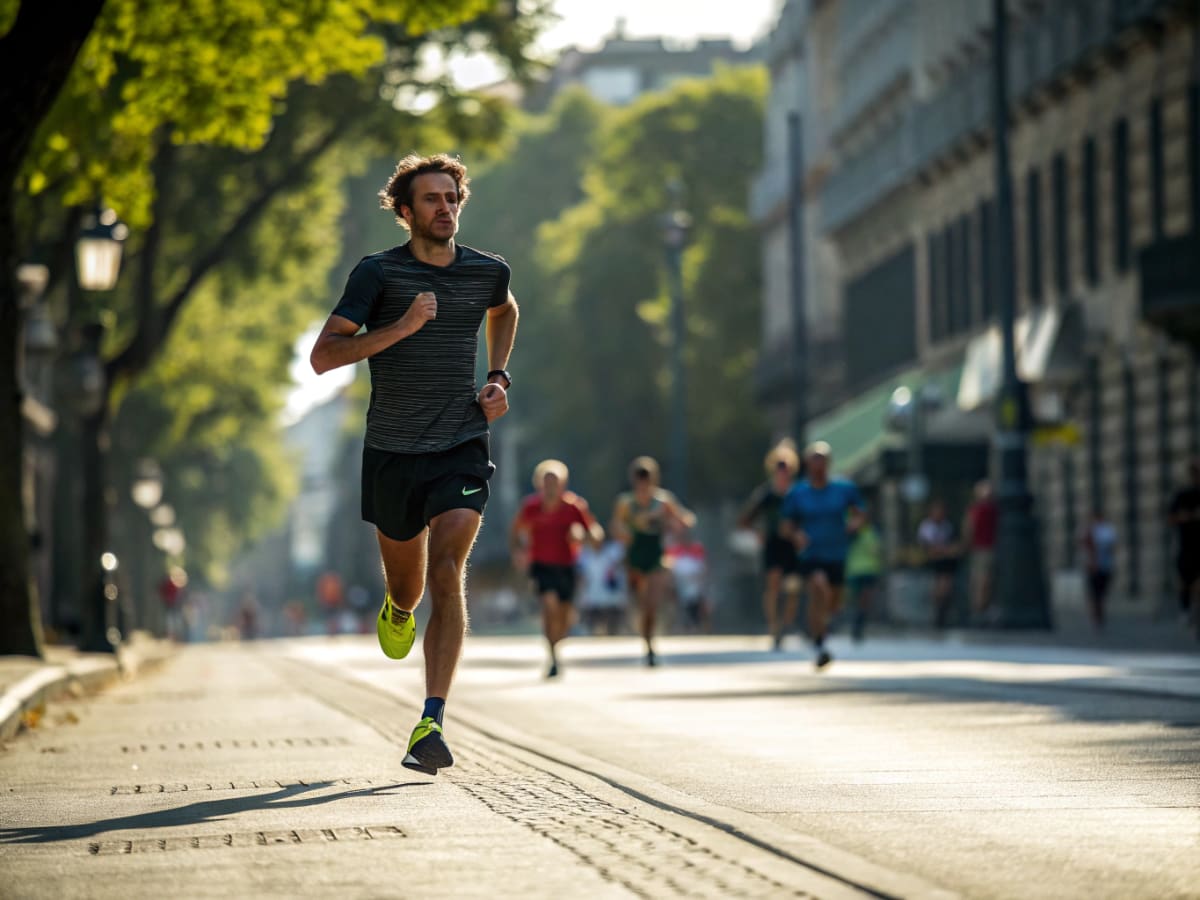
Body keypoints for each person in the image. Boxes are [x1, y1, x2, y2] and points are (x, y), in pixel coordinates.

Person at [309, 153, 518, 777]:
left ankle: (432, 718)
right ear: (405, 211)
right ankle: (398, 609)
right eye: (431, 199)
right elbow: (323, 357)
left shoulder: (487, 271)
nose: (445, 208)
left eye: (452, 197)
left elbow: (504, 308)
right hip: (393, 451)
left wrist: (498, 374)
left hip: (460, 439)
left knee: (450, 569)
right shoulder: (378, 275)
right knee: (412, 586)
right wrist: (400, 327)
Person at [510, 459, 604, 678]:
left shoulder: (573, 506)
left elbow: (593, 530)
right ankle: (552, 657)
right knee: (548, 605)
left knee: (563, 617)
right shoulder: (531, 507)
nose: (550, 486)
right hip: (541, 565)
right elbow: (515, 531)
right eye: (546, 481)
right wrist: (518, 552)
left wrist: (587, 536)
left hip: (566, 565)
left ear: (563, 484)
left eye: (555, 482)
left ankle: (557, 641)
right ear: (539, 484)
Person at [780, 441, 864, 670]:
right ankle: (819, 645)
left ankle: (822, 629)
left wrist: (854, 525)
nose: (818, 465)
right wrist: (796, 535)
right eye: (814, 460)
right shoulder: (798, 493)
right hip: (812, 553)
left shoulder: (844, 489)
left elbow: (860, 513)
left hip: (837, 551)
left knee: (832, 602)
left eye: (822, 460)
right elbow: (786, 525)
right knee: (818, 587)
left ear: (828, 463)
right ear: (807, 464)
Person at [611, 456, 695, 667]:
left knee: (652, 603)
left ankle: (649, 646)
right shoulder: (626, 503)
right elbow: (616, 528)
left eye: (647, 478)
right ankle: (645, 636)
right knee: (640, 602)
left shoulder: (663, 501)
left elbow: (685, 520)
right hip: (636, 556)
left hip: (657, 555)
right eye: (640, 478)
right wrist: (630, 531)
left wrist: (670, 522)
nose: (643, 483)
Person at [738, 441, 802, 650]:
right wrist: (759, 534)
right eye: (779, 468)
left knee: (792, 587)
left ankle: (787, 623)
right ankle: (774, 627)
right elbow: (745, 519)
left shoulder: (798, 494)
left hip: (792, 546)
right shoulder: (765, 494)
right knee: (773, 584)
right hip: (773, 544)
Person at [1168, 458, 1200, 637]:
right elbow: (1171, 518)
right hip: (1187, 547)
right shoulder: (1184, 495)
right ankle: (1185, 610)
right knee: (1186, 582)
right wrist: (1187, 517)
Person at [918, 500, 960, 630]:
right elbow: (927, 547)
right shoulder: (926, 526)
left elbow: (954, 546)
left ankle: (942, 614)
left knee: (945, 585)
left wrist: (946, 550)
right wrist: (942, 550)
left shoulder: (948, 526)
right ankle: (937, 613)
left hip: (946, 563)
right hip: (931, 563)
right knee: (939, 585)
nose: (939, 514)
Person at [844, 510, 884, 643]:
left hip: (870, 570)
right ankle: (855, 623)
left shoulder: (871, 531)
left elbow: (877, 550)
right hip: (854, 571)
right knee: (855, 599)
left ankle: (858, 627)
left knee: (865, 600)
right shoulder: (849, 531)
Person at [963, 480, 998, 623]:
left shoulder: (989, 509)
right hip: (982, 548)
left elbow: (968, 527)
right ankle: (979, 609)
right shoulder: (979, 509)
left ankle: (980, 609)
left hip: (986, 548)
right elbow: (969, 527)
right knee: (981, 579)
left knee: (983, 580)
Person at [666, 527, 710, 634]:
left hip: (695, 581)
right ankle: (677, 626)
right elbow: (669, 565)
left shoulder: (697, 548)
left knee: (695, 603)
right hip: (678, 582)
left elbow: (703, 566)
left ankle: (697, 626)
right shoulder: (674, 549)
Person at [578, 538, 627, 635]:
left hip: (612, 597)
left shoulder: (613, 552)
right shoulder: (585, 555)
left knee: (613, 626)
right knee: (592, 627)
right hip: (592, 600)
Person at [1081, 509, 1116, 631]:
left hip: (1101, 566)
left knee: (1099, 594)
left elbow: (1110, 547)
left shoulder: (1104, 531)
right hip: (1096, 567)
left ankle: (1098, 616)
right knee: (1096, 594)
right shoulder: (1093, 530)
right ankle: (1097, 617)